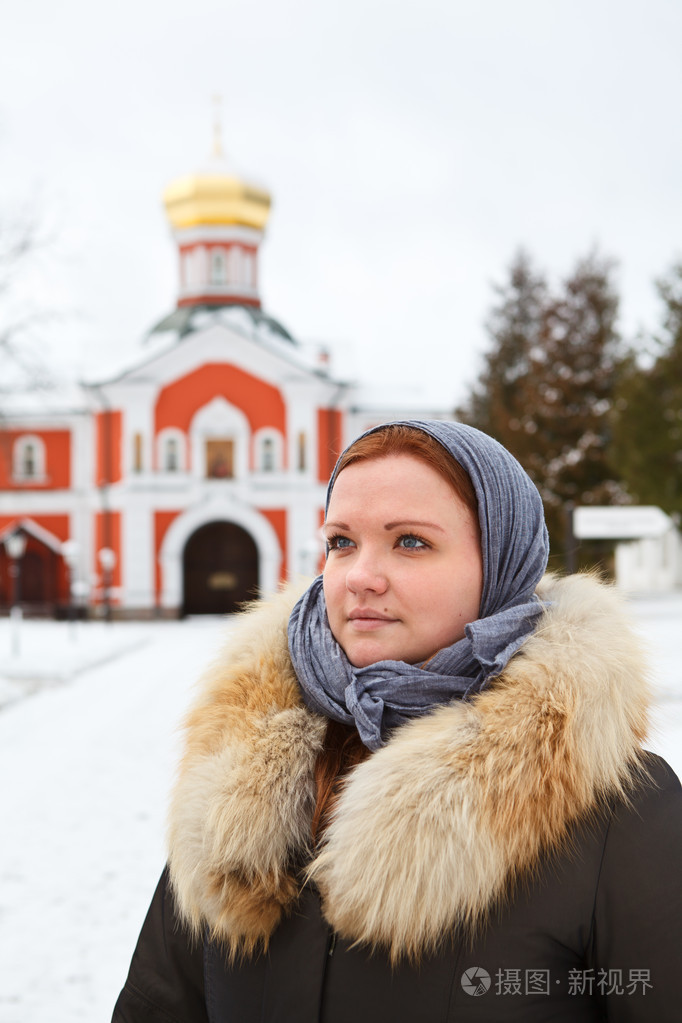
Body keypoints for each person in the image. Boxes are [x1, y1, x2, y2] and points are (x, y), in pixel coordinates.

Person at [112, 419, 682, 1022]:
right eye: (341, 542)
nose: (360, 576)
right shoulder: (238, 778)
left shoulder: (621, 812)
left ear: (501, 565)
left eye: (410, 541)